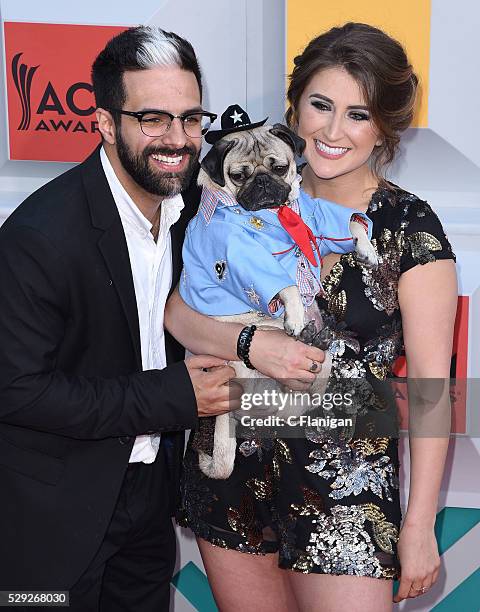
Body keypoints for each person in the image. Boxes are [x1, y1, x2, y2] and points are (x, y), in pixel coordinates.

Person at [165, 22, 458, 611]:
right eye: (320, 105)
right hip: (235, 469)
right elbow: (178, 314)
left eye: (359, 114)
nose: (331, 131)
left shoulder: (407, 226)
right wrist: (251, 344)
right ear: (295, 105)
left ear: (385, 127)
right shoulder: (227, 196)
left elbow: (431, 389)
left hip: (345, 487)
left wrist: (420, 524)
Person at [0, 25, 241, 612]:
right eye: (153, 118)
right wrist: (171, 397)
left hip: (150, 502)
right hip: (51, 522)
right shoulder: (41, 236)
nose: (178, 139)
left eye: (190, 118)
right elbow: (16, 392)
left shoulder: (195, 218)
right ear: (106, 123)